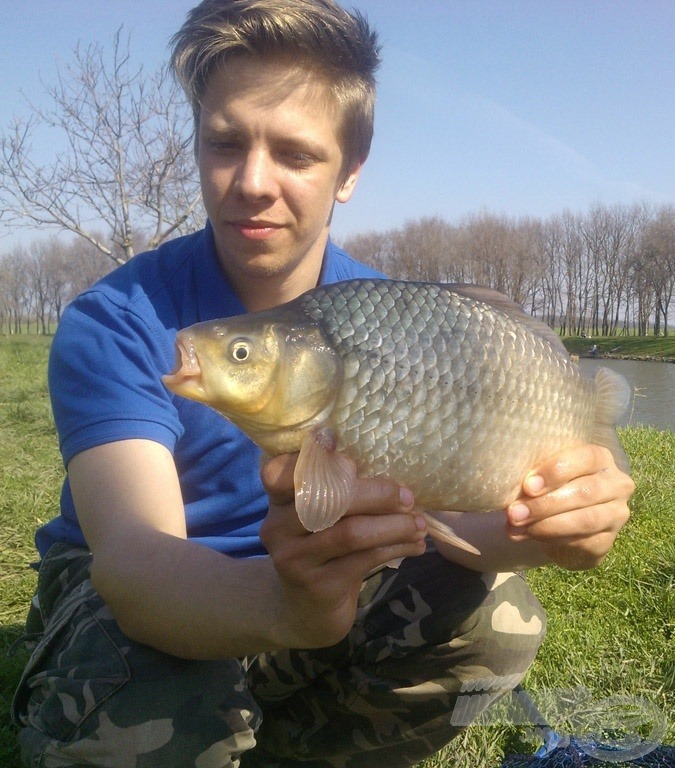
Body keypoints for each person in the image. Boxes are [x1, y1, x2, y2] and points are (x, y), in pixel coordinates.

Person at [12, 1, 634, 766]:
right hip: (149, 602)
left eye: (297, 154)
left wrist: (551, 528)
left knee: (500, 619)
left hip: (317, 586)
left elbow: (442, 520)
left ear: (349, 170)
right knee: (165, 706)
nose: (251, 182)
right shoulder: (118, 320)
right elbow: (135, 561)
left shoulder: (388, 320)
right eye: (224, 142)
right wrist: (286, 609)